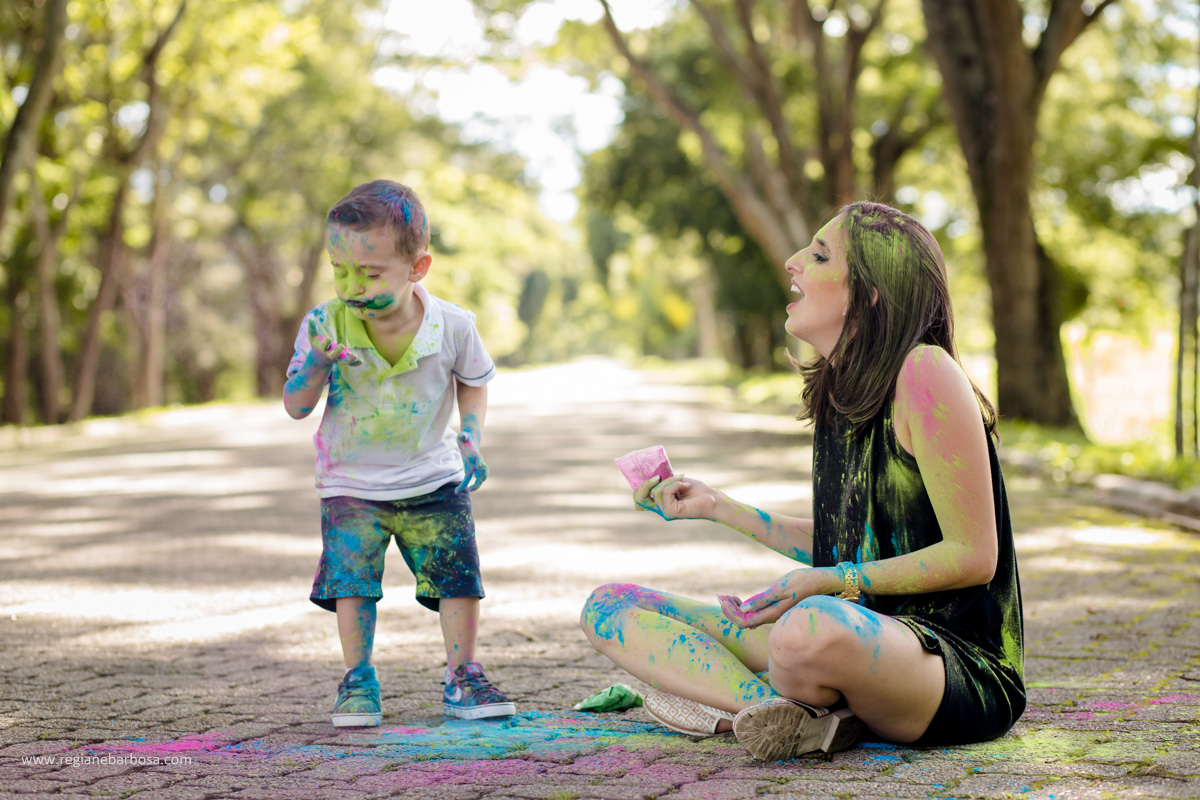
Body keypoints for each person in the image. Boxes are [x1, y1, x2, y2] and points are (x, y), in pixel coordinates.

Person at [580, 201, 1024, 761]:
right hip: (857, 631)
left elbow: (974, 556)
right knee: (610, 606)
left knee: (806, 626)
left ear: (870, 291)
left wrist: (831, 581)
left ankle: (751, 704)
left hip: (951, 666)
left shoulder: (925, 372)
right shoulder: (840, 388)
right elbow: (853, 545)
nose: (793, 262)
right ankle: (779, 715)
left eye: (818, 255)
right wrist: (720, 508)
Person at [284, 179, 514, 727]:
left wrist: (472, 435)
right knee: (352, 584)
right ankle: (358, 678)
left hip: (434, 477)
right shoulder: (324, 324)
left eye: (369, 273)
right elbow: (295, 405)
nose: (352, 287)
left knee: (458, 576)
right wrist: (316, 365)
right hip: (350, 484)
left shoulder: (453, 325)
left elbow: (474, 380)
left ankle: (463, 676)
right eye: (340, 271)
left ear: (418, 268)